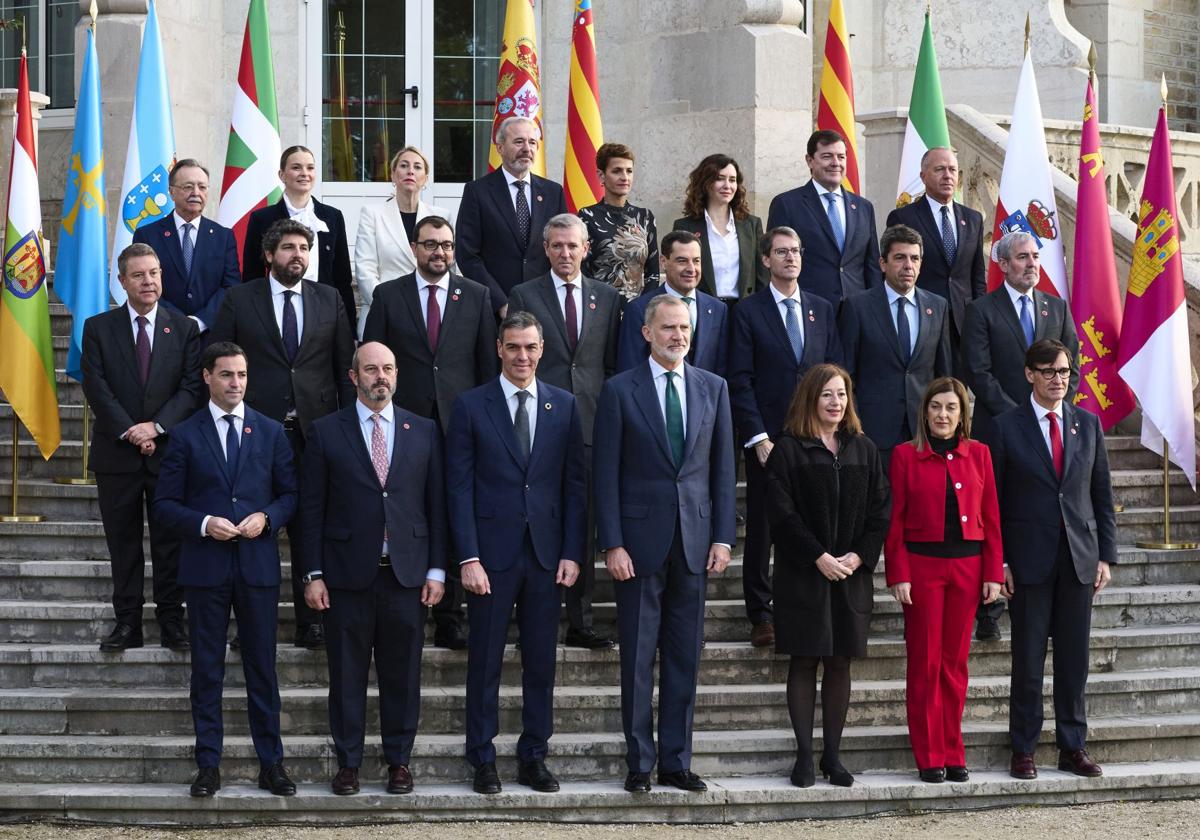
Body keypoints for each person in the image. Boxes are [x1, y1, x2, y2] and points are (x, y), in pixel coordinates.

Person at [593, 295, 736, 794]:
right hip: (637, 545)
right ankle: (639, 763)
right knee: (636, 657)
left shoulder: (713, 388)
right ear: (646, 332)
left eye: (685, 328)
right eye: (669, 327)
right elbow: (604, 473)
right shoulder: (619, 391)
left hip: (694, 543)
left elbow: (722, 470)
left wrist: (722, 536)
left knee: (684, 657)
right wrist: (611, 542)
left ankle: (676, 760)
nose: (678, 335)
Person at [298, 341, 448, 797]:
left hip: (406, 575)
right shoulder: (326, 432)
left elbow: (436, 507)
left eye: (387, 368)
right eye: (370, 369)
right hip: (346, 576)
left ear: (397, 375)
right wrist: (312, 574)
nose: (379, 376)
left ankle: (399, 762)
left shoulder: (422, 430)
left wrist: (438, 570)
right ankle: (348, 764)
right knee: (346, 674)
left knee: (403, 675)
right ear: (353, 376)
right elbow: (311, 511)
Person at [446, 312, 586, 795]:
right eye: (513, 347)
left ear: (542, 349)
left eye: (530, 347)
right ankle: (482, 757)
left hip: (547, 557)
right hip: (490, 557)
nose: (522, 356)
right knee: (483, 661)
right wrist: (467, 557)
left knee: (541, 663)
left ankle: (533, 755)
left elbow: (574, 486)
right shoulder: (470, 406)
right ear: (499, 350)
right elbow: (458, 489)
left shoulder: (564, 406)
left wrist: (572, 552)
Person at [153, 341, 298, 798]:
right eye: (227, 375)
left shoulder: (271, 431)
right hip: (206, 569)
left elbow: (291, 495)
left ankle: (271, 765)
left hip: (257, 569)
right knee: (207, 673)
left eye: (242, 375)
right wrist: (203, 523)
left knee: (262, 670)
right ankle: (208, 766)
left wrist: (267, 517)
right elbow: (163, 505)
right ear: (208, 377)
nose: (236, 383)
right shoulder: (185, 434)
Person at [209, 218, 356, 650]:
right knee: (255, 528)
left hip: (316, 432)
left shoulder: (329, 299)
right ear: (269, 254)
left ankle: (311, 621)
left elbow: (343, 367)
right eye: (289, 247)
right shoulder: (240, 298)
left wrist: (347, 427)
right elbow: (220, 358)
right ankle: (254, 624)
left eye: (304, 248)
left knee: (312, 526)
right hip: (257, 432)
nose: (298, 255)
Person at [362, 215, 498, 648]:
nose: (438, 252)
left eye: (446, 245)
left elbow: (485, 366)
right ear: (414, 248)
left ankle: (450, 615)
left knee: (456, 512)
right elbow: (372, 357)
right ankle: (409, 603)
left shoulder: (475, 296)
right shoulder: (388, 295)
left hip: (461, 424)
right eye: (429, 244)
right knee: (410, 512)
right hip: (404, 427)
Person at [990, 339, 1116, 781]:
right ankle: (1023, 748)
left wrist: (1106, 556)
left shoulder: (1088, 424)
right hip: (1028, 562)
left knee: (1073, 660)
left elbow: (1101, 494)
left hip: (1079, 561)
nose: (1057, 379)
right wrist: (999, 561)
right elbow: (995, 503)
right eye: (1048, 371)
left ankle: (1072, 746)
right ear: (1029, 374)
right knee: (1027, 660)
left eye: (1063, 371)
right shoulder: (1005, 427)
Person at [764, 363, 889, 789]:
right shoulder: (788, 450)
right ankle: (803, 756)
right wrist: (817, 555)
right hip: (804, 574)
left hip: (850, 575)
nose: (836, 403)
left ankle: (832, 757)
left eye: (842, 395)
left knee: (839, 663)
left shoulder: (864, 449)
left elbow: (880, 511)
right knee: (804, 661)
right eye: (827, 396)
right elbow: (780, 514)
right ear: (810, 400)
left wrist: (859, 556)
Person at [81, 243, 203, 653]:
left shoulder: (183, 328)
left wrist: (157, 426)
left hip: (169, 455)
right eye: (138, 275)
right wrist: (132, 431)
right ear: (122, 282)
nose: (148, 281)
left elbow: (190, 388)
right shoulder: (98, 327)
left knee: (171, 544)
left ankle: (172, 622)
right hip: (117, 456)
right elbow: (96, 386)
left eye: (154, 273)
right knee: (124, 544)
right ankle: (127, 623)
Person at [507, 214, 621, 649]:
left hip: (590, 423)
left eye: (573, 246)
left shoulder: (607, 298)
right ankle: (531, 620)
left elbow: (610, 364)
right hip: (537, 423)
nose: (565, 253)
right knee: (534, 519)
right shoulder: (524, 294)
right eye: (556, 246)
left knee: (582, 519)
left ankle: (581, 619)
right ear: (546, 249)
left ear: (586, 248)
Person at [961, 230, 1080, 641]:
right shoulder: (982, 310)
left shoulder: (1057, 309)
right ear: (1003, 264)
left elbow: (1073, 369)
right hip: (998, 431)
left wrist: (1048, 412)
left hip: (1050, 435)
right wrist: (1021, 417)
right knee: (994, 512)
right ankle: (988, 607)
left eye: (1035, 256)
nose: (1032, 264)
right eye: (1023, 257)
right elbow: (979, 372)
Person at [885, 377, 1003, 783]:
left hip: (968, 570)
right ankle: (929, 753)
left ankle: (954, 750)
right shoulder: (904, 455)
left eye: (951, 407)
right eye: (936, 406)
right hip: (922, 570)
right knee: (925, 663)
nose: (943, 415)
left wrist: (993, 573)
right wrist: (898, 573)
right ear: (925, 411)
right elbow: (894, 520)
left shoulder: (980, 454)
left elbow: (991, 518)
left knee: (955, 665)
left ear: (962, 414)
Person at [728, 227, 842, 648]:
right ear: (765, 260)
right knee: (762, 528)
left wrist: (833, 431)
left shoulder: (822, 309)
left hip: (815, 437)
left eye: (796, 251)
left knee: (813, 525)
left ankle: (805, 607)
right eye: (781, 251)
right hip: (769, 440)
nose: (790, 258)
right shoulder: (748, 311)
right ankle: (760, 613)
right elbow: (739, 379)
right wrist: (757, 437)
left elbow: (835, 373)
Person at [838, 224, 952, 469]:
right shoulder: (857, 307)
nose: (908, 266)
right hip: (873, 434)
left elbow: (943, 375)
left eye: (914, 258)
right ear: (883, 263)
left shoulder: (938, 306)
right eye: (899, 258)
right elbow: (846, 376)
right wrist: (854, 427)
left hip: (924, 432)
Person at [457, 116, 568, 317]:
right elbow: (467, 255)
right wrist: (500, 303)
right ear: (499, 147)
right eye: (519, 142)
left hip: (545, 307)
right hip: (495, 310)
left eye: (532, 142)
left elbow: (563, 248)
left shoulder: (553, 193)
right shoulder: (477, 192)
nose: (527, 148)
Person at [241, 145, 356, 332]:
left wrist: (349, 328)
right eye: (296, 167)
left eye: (310, 168)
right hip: (278, 312)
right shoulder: (262, 219)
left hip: (325, 314)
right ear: (282, 175)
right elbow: (251, 275)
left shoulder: (333, 217)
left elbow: (342, 277)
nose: (304, 173)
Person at [886, 147, 986, 361]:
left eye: (952, 170)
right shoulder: (903, 217)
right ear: (923, 176)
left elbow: (977, 276)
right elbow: (892, 272)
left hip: (963, 324)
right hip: (922, 319)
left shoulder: (973, 218)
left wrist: (980, 319)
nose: (948, 175)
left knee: (958, 391)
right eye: (940, 169)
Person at [767, 130, 882, 309]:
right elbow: (776, 260)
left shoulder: (863, 207)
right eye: (827, 156)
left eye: (841, 157)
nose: (835, 163)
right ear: (810, 160)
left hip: (858, 311)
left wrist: (876, 307)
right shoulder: (787, 204)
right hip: (809, 310)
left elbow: (872, 264)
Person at [354, 145, 455, 338]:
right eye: (404, 165)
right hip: (384, 315)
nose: (410, 171)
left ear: (425, 178)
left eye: (417, 167)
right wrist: (391, 307)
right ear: (393, 175)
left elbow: (450, 267)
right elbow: (365, 269)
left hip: (431, 315)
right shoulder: (372, 214)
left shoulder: (442, 216)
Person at [131, 158, 239, 333]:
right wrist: (179, 321)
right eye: (188, 187)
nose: (196, 193)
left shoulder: (223, 236)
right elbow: (142, 283)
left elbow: (230, 286)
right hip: (163, 332)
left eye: (202, 187)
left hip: (210, 334)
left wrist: (200, 321)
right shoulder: (147, 235)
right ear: (171, 192)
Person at [617, 230, 728, 377]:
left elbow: (723, 368)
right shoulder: (639, 309)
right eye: (682, 261)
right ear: (663, 262)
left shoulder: (718, 310)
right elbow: (629, 371)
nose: (691, 269)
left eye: (696, 261)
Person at [671, 153, 767, 312]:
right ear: (705, 183)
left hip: (745, 311)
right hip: (703, 310)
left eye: (732, 180)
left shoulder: (751, 225)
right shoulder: (685, 226)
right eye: (720, 178)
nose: (727, 186)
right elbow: (679, 277)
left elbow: (762, 277)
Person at [578, 142, 660, 300]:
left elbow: (653, 273)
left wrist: (643, 306)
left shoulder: (645, 217)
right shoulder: (587, 215)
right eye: (617, 171)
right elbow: (582, 270)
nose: (625, 177)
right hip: (599, 306)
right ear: (601, 175)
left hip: (638, 309)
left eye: (629, 171)